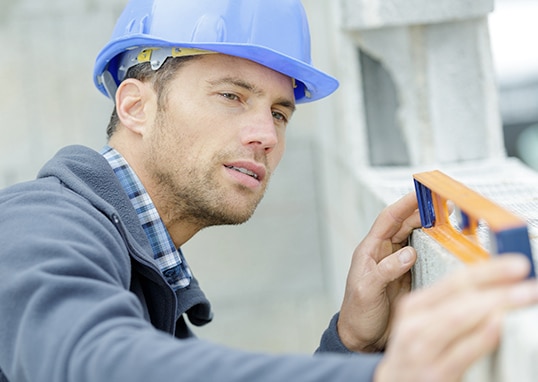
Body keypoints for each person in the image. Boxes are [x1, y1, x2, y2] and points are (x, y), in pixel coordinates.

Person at [0, 0, 537, 381]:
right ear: (135, 107)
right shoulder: (37, 223)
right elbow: (94, 364)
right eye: (233, 96)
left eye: (280, 112)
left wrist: (351, 343)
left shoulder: (144, 273)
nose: (266, 135)